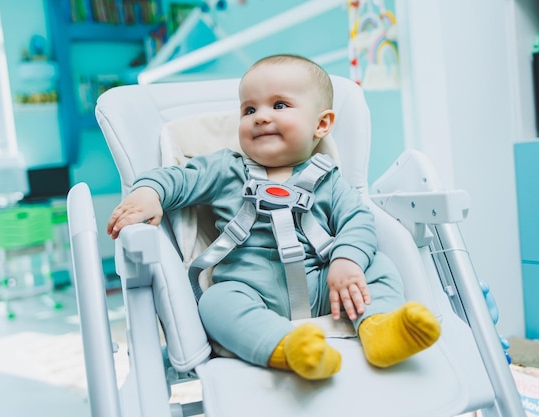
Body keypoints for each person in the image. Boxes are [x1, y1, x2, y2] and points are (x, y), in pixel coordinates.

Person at [107, 54, 441, 380]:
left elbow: (358, 220)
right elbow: (177, 178)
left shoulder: (327, 177)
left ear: (321, 124)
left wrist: (347, 261)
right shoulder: (225, 168)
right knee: (215, 303)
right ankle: (285, 346)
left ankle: (380, 328)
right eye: (249, 109)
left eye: (279, 105)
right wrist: (149, 193)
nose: (261, 117)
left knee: (378, 266)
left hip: (326, 285)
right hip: (250, 287)